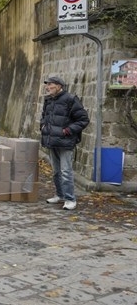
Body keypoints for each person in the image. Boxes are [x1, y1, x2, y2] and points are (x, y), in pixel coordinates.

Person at [41, 76, 89, 211]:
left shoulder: (70, 99)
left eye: (50, 85)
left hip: (65, 141)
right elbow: (44, 116)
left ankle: (70, 199)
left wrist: (67, 131)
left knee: (66, 171)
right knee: (56, 172)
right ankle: (60, 195)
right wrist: (43, 126)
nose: (47, 87)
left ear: (59, 86)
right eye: (47, 85)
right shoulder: (48, 100)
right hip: (52, 140)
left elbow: (83, 119)